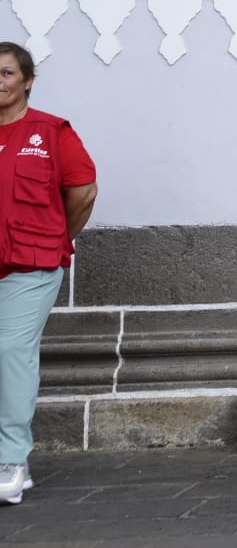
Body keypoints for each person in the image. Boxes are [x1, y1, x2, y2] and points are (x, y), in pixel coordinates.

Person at [0, 41, 98, 505]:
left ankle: (11, 461)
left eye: (6, 73)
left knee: (10, 351)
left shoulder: (52, 133)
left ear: (27, 81)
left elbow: (83, 193)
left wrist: (57, 238)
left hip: (30, 266)